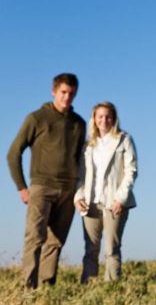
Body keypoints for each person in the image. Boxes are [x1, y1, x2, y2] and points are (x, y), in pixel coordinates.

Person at [7, 73, 86, 289]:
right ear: (54, 91)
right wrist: (22, 187)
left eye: (71, 93)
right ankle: (28, 287)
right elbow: (13, 153)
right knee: (35, 237)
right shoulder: (36, 118)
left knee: (56, 241)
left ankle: (47, 286)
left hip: (68, 189)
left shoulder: (79, 123)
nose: (67, 97)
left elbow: (81, 159)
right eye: (63, 92)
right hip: (41, 187)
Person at [74, 101, 138, 283]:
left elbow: (131, 170)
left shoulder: (124, 139)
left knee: (112, 248)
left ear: (114, 118)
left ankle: (112, 287)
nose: (104, 120)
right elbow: (80, 175)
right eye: (100, 116)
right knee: (90, 248)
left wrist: (121, 198)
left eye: (108, 116)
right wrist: (78, 197)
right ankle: (88, 285)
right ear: (94, 119)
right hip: (90, 202)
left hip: (115, 202)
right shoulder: (88, 146)